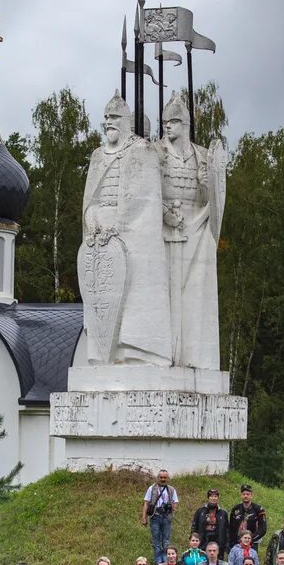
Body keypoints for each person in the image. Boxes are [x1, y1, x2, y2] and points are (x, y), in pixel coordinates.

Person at [80, 89, 172, 365]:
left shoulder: (142, 150)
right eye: (106, 116)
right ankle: (102, 353)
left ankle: (137, 351)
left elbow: (146, 200)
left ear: (127, 121)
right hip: (101, 239)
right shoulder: (98, 156)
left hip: (133, 238)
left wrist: (118, 226)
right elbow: (90, 199)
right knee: (101, 296)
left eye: (115, 116)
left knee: (136, 302)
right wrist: (93, 219)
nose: (109, 121)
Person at [154, 90, 226, 368]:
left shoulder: (203, 156)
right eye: (164, 123)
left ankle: (191, 356)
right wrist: (164, 213)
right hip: (164, 231)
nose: (167, 127)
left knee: (192, 297)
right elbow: (146, 192)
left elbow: (213, 201)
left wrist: (207, 184)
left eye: (172, 122)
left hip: (195, 231)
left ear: (184, 124)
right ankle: (164, 355)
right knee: (166, 298)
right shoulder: (156, 152)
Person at [141, 469, 179, 565]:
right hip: (155, 516)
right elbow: (146, 502)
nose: (163, 479)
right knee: (156, 541)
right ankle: (158, 562)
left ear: (168, 478)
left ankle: (166, 561)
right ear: (157, 478)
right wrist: (144, 517)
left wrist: (171, 508)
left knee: (166, 541)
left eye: (164, 477)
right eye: (161, 477)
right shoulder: (152, 488)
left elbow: (175, 502)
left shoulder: (171, 489)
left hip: (167, 517)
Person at [229, 484, 267, 552]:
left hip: (252, 543)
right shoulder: (236, 509)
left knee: (250, 562)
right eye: (243, 494)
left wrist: (251, 539)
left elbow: (263, 529)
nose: (245, 496)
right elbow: (231, 527)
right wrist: (231, 541)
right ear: (241, 495)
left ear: (251, 495)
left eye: (248, 494)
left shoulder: (258, 509)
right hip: (237, 542)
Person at [191, 488, 229, 558]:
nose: (213, 498)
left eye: (215, 496)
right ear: (208, 498)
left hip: (218, 543)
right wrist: (194, 541)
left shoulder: (223, 513)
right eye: (211, 496)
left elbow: (226, 530)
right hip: (203, 542)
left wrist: (226, 545)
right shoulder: (200, 511)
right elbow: (194, 526)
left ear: (218, 498)